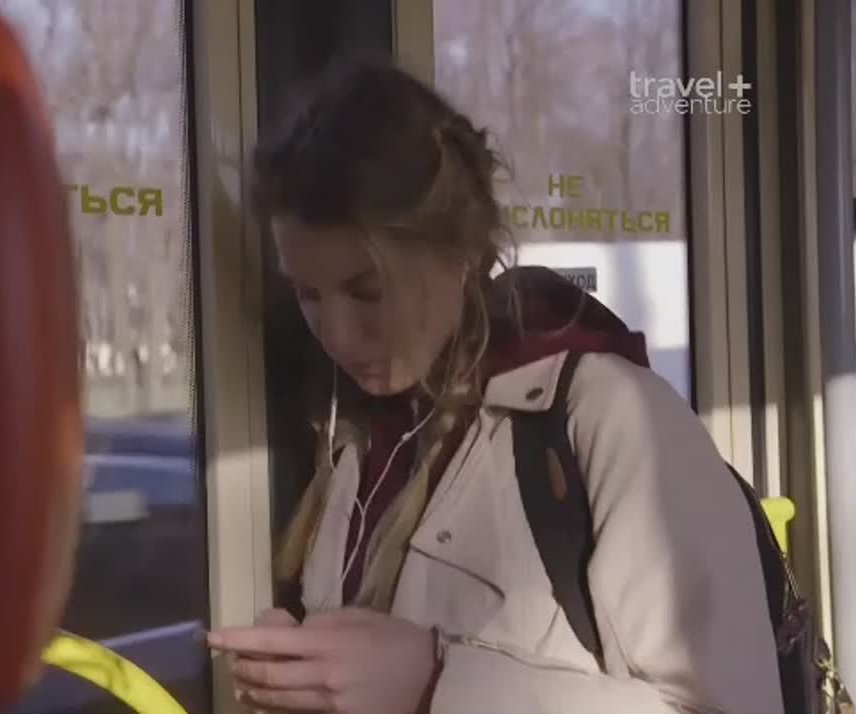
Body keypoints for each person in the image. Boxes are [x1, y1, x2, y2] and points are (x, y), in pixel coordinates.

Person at [205, 60, 784, 714]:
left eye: (368, 291)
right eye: (308, 296)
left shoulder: (610, 418)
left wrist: (435, 683)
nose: (336, 335)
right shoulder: (358, 441)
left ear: (461, 256)